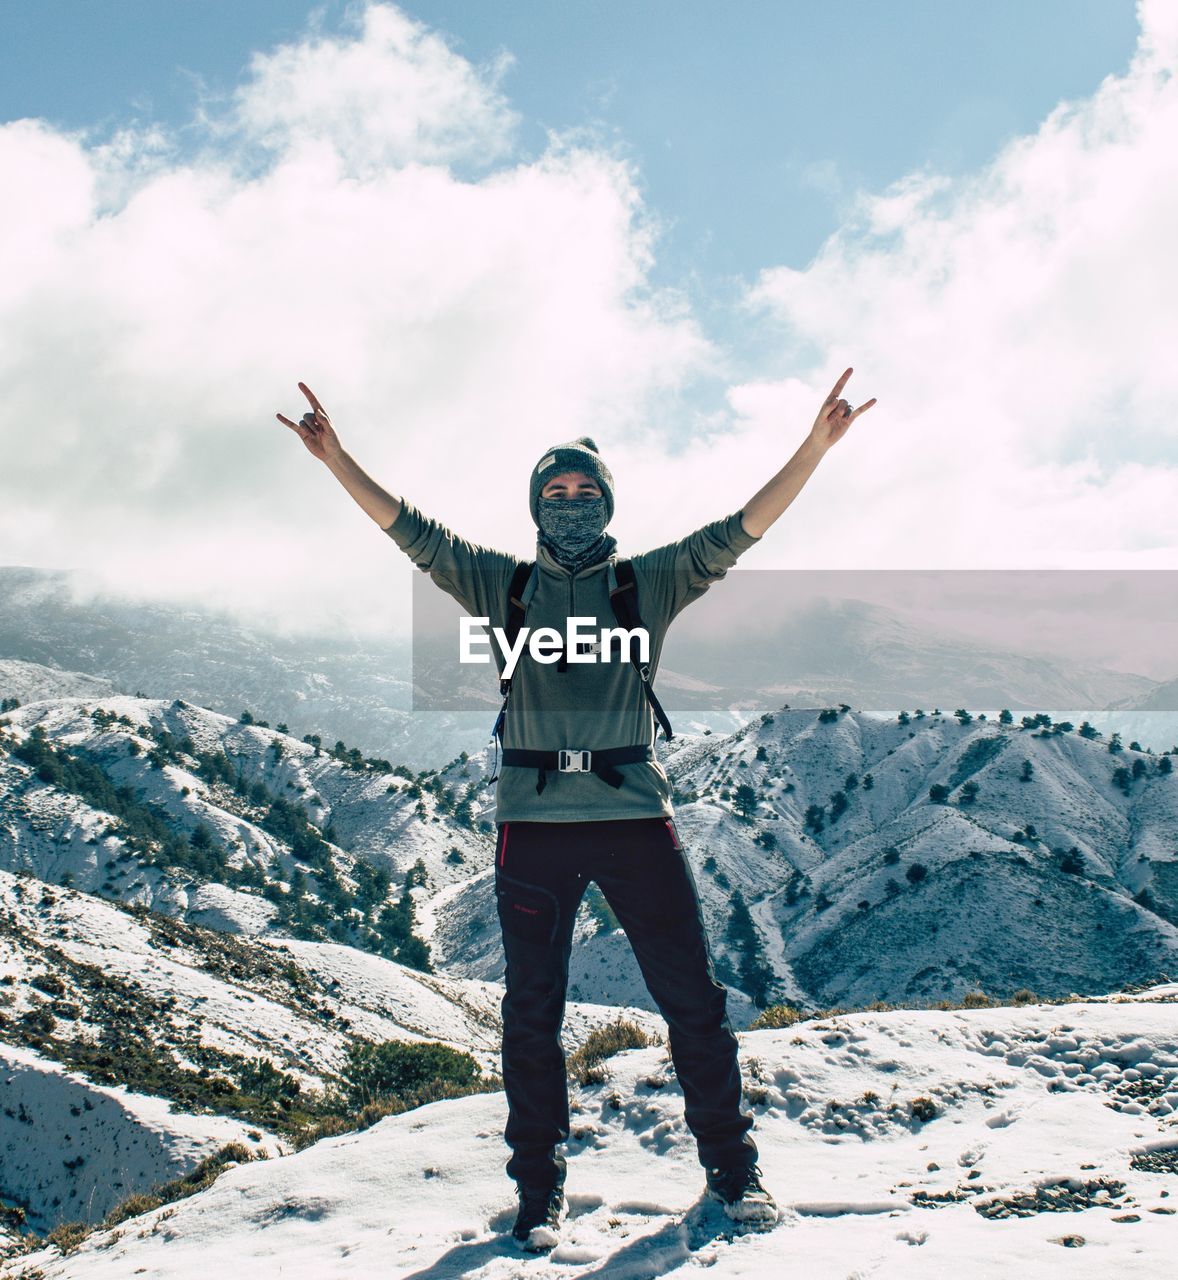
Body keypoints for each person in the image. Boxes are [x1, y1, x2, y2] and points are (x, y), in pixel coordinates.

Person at [277, 372, 876, 1250]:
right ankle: (538, 1195)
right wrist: (337, 460)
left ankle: (733, 1172)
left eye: (584, 491)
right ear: (534, 505)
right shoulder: (505, 587)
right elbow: (412, 533)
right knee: (532, 1015)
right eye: (555, 492)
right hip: (533, 820)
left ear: (606, 501)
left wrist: (813, 452)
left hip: (634, 813)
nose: (569, 502)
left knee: (694, 1004)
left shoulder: (648, 584)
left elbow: (740, 529)